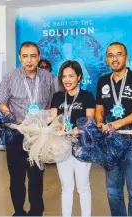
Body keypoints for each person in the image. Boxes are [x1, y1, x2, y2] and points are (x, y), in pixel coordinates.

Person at [0, 41, 54, 216]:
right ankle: (18, 212)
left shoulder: (48, 78)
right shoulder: (10, 77)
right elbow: (2, 104)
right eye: (25, 56)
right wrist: (14, 119)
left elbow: (51, 104)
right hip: (16, 134)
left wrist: (46, 121)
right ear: (20, 57)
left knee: (36, 178)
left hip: (38, 136)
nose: (29, 60)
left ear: (39, 57)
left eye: (33, 56)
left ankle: (36, 212)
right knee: (17, 178)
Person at [95, 42, 132, 216]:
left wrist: (117, 124)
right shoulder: (103, 81)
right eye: (111, 55)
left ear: (126, 57)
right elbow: (99, 110)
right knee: (112, 191)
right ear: (107, 59)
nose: (115, 59)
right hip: (110, 142)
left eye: (118, 54)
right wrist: (99, 122)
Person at [50, 60, 95, 217]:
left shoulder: (87, 96)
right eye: (64, 76)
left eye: (71, 76)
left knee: (83, 186)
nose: (67, 80)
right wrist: (58, 126)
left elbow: (90, 119)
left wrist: (80, 129)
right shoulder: (57, 96)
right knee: (66, 186)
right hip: (61, 145)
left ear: (79, 77)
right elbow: (53, 118)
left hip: (82, 145)